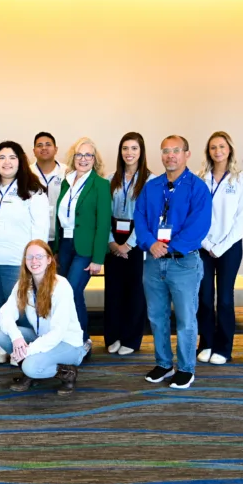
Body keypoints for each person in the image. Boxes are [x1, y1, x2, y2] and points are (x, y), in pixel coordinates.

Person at [134, 135, 212, 390]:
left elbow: (198, 226)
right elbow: (141, 218)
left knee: (186, 319)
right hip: (154, 262)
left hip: (183, 264)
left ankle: (186, 368)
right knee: (156, 317)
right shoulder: (152, 186)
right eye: (165, 151)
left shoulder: (197, 188)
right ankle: (164, 363)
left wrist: (168, 247)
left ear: (187, 154)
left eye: (176, 151)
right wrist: (149, 243)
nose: (170, 156)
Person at [0, 141, 50, 361]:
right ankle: (2, 342)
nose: (6, 162)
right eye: (1, 157)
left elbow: (41, 228)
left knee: (21, 305)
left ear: (21, 161)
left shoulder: (33, 189)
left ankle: (23, 347)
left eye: (12, 157)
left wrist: (36, 259)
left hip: (17, 261)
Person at [0, 240, 86, 395]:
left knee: (30, 366)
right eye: (29, 257)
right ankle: (31, 371)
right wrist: (17, 338)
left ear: (49, 260)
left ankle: (67, 372)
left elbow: (58, 333)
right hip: (43, 338)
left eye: (39, 256)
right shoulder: (24, 284)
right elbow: (6, 312)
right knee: (3, 336)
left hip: (68, 343)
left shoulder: (61, 286)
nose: (34, 261)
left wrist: (28, 351)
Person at [196, 131, 243, 366]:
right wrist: (207, 244)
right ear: (208, 152)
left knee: (225, 299)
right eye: (212, 147)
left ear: (229, 149)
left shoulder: (242, 179)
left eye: (221, 146)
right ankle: (206, 343)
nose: (217, 151)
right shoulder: (200, 178)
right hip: (203, 246)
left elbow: (242, 220)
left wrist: (220, 247)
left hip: (229, 248)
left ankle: (224, 347)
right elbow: (194, 215)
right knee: (205, 297)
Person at [54, 137, 111, 359]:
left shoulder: (101, 184)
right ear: (73, 157)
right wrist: (57, 248)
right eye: (79, 154)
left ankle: (82, 340)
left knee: (72, 291)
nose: (83, 159)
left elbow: (103, 223)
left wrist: (98, 259)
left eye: (88, 155)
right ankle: (69, 339)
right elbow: (60, 217)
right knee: (63, 293)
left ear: (95, 160)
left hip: (86, 249)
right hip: (65, 246)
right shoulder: (66, 181)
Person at [105, 132, 151, 356]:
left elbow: (148, 217)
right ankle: (113, 335)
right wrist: (111, 241)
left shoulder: (151, 181)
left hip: (137, 241)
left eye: (134, 148)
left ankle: (131, 339)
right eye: (125, 148)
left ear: (141, 151)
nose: (129, 153)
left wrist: (129, 244)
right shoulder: (110, 177)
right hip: (113, 237)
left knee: (135, 292)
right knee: (113, 291)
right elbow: (103, 213)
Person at [32, 132, 66, 243]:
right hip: (34, 235)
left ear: (56, 149)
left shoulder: (67, 172)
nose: (44, 148)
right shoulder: (26, 173)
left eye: (48, 144)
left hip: (62, 236)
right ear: (34, 151)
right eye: (39, 145)